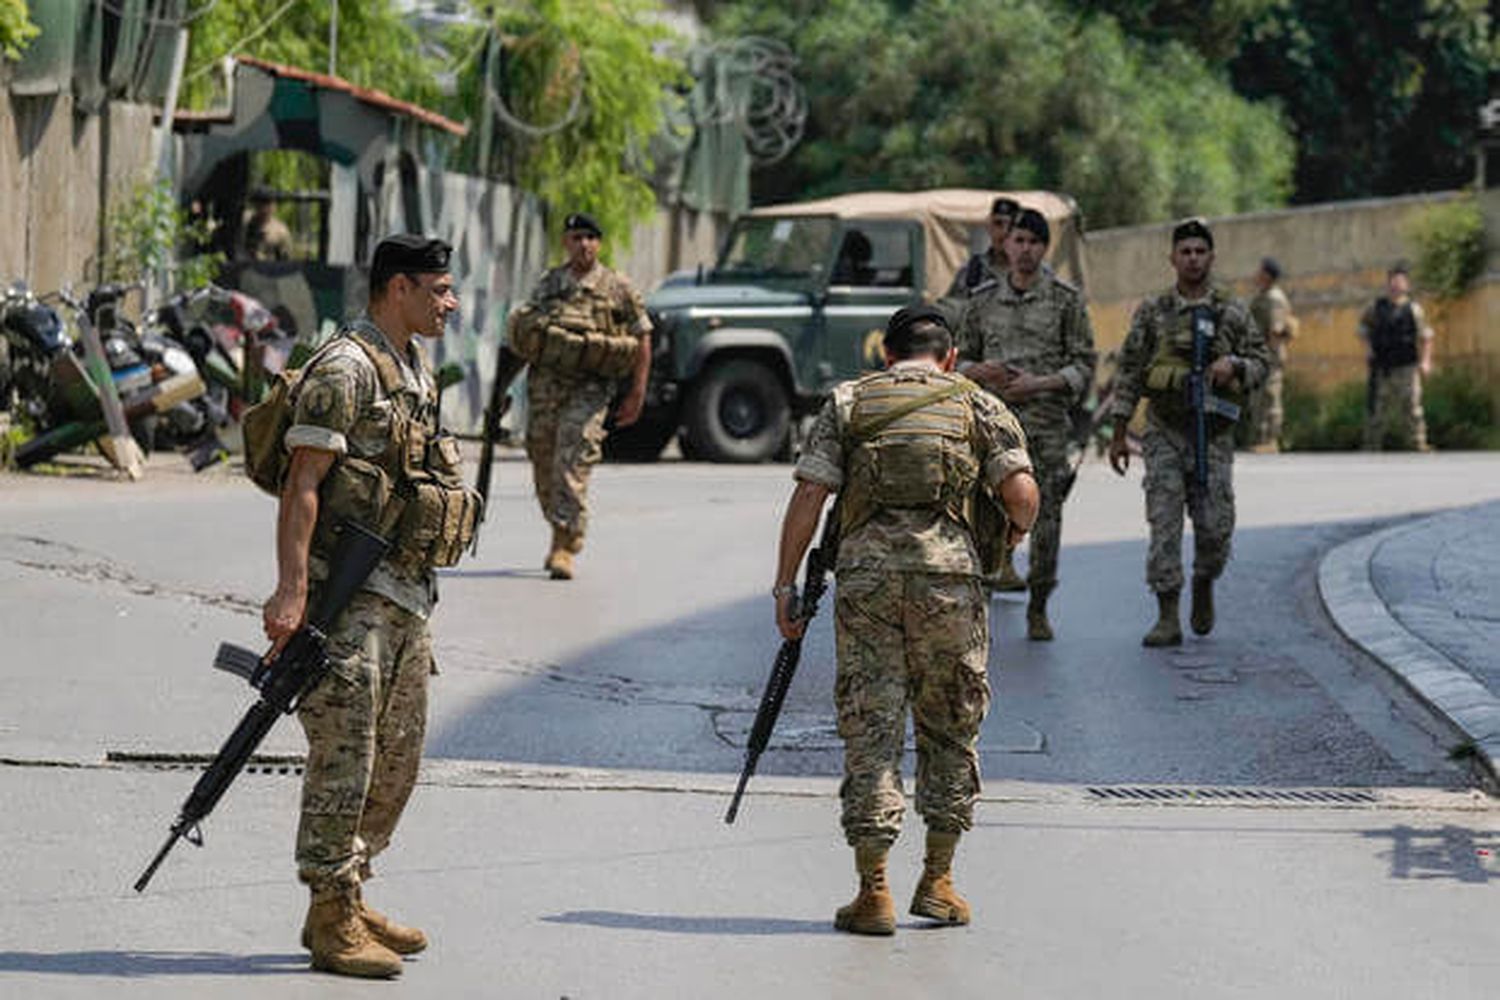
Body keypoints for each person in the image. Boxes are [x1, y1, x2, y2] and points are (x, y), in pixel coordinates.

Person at [775, 305, 1040, 936]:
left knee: (873, 728)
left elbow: (810, 494)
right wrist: (1007, 540)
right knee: (950, 727)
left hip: (866, 583)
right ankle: (939, 882)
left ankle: (873, 893)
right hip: (950, 583)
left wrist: (786, 585)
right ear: (948, 357)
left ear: (886, 355)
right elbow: (1022, 494)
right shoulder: (978, 404)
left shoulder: (850, 402)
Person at [264, 234, 475, 979]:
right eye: (439, 289)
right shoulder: (345, 368)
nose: (450, 302)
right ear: (398, 288)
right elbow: (303, 485)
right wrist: (292, 590)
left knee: (400, 758)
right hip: (347, 601)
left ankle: (350, 889)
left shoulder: (411, 365)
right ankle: (329, 913)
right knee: (345, 761)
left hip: (407, 596)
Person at [1107, 218, 1269, 647]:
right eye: (1185, 252)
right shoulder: (1154, 312)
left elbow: (1262, 362)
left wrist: (1234, 365)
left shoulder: (1232, 311)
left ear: (1211, 257)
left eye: (1200, 251)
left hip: (1213, 434)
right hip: (1165, 432)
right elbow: (1130, 371)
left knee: (1215, 528)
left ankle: (1203, 581)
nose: (1193, 258)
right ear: (1173, 258)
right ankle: (1167, 615)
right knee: (1164, 523)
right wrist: (1119, 432)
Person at [954, 208, 1097, 639]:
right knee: (985, 515)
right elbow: (957, 360)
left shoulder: (1066, 300)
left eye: (1033, 241)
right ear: (1006, 244)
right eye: (1018, 240)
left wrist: (1040, 383)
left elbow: (1085, 365)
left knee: (1047, 518)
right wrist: (984, 371)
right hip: (992, 430)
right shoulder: (981, 301)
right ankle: (984, 601)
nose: (1024, 249)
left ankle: (1039, 604)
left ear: (1044, 247)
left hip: (1045, 428)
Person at [511, 212, 653, 579]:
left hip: (590, 389)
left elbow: (642, 338)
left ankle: (564, 541)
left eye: (590, 237)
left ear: (599, 243)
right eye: (576, 237)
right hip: (545, 387)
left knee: (572, 459)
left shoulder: (617, 287)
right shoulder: (550, 284)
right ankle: (558, 525)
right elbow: (526, 336)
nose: (584, 244)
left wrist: (637, 392)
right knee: (543, 460)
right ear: (566, 243)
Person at [1359, 262, 1434, 451]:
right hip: (1382, 366)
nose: (1395, 285)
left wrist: (1425, 361)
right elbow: (1362, 329)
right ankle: (1371, 446)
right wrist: (1367, 349)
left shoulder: (1414, 310)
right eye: (1392, 281)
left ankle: (1418, 443)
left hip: (1407, 366)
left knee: (1412, 407)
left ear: (1407, 285)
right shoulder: (1375, 307)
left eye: (1400, 281)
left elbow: (1426, 336)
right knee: (1376, 410)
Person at [1247, 257, 1297, 451]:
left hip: (1270, 356)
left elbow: (1275, 332)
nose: (1255, 274)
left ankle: (1270, 440)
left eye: (1259, 271)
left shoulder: (1273, 299)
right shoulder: (1264, 295)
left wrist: (1265, 356)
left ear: (1267, 275)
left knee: (1270, 396)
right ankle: (1260, 438)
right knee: (1259, 398)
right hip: (1260, 354)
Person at [241, 188, 293, 261]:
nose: (264, 208)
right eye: (260, 203)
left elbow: (286, 259)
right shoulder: (245, 222)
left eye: (268, 203)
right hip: (245, 268)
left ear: (274, 206)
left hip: (267, 270)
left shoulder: (280, 231)